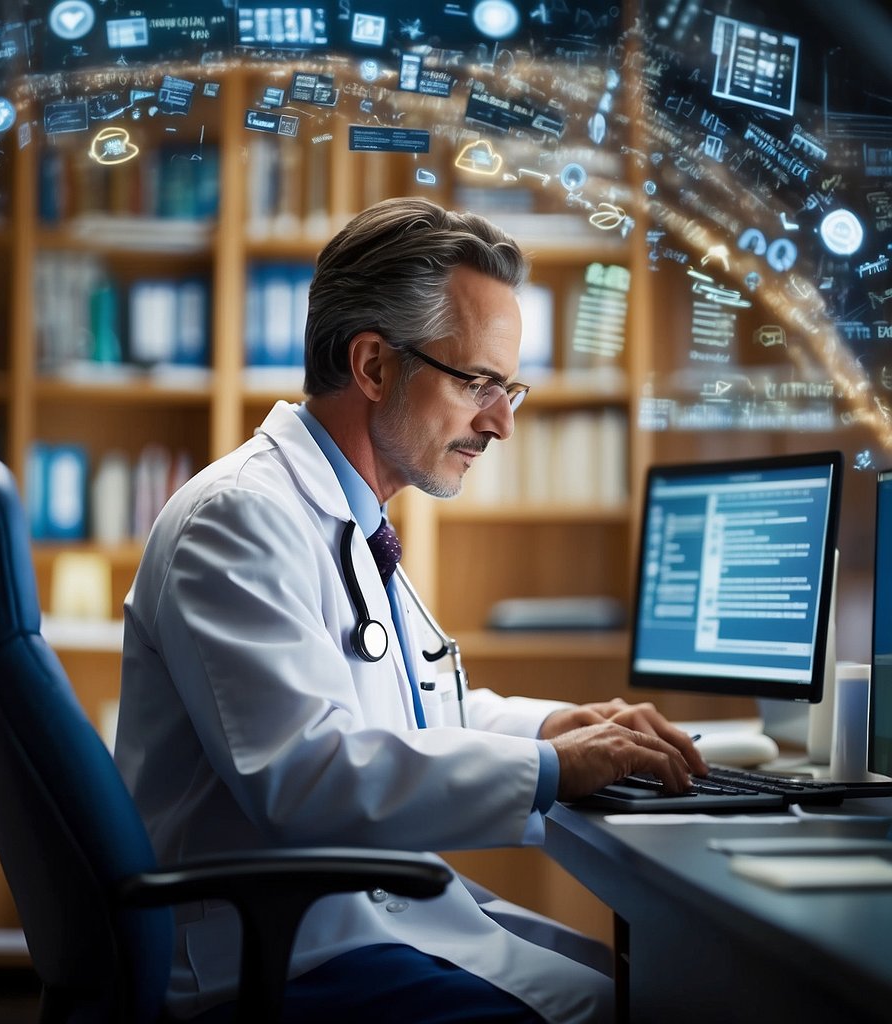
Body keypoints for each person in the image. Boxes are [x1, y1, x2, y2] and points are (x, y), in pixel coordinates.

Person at [115, 196, 708, 1023]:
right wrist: (553, 769)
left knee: (652, 991)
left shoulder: (351, 518)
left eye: (510, 388)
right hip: (276, 961)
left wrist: (558, 728)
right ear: (373, 366)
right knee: (638, 1007)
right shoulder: (240, 517)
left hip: (354, 925)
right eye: (478, 383)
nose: (501, 423)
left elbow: (412, 714)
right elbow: (306, 775)